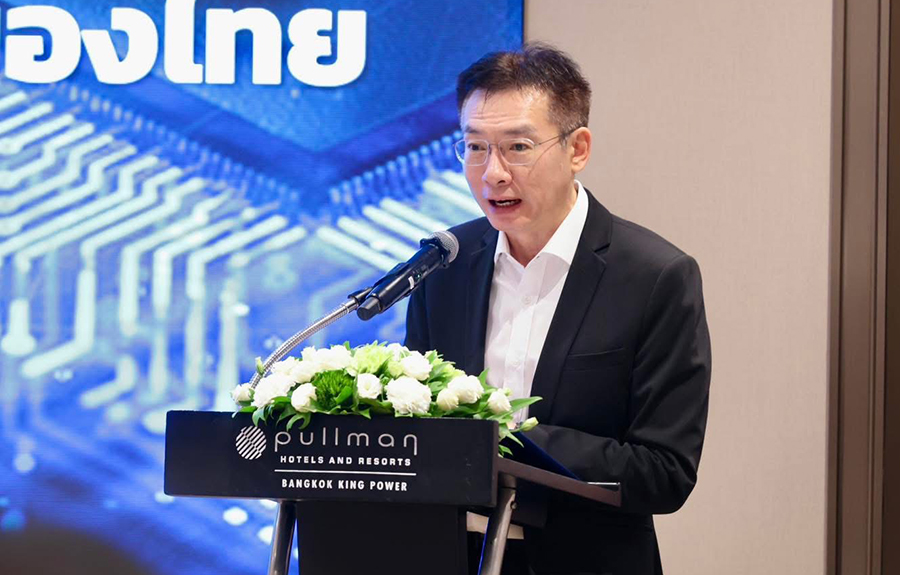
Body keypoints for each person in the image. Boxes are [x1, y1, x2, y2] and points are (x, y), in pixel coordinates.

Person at [404, 43, 711, 575]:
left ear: (578, 149)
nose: (493, 173)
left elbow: (665, 471)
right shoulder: (443, 264)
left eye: (517, 147)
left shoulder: (655, 277)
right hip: (451, 555)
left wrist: (502, 440)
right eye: (475, 147)